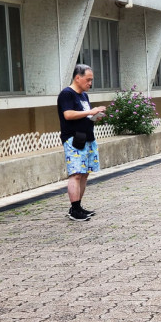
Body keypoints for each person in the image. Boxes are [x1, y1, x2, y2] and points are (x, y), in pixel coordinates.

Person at [57, 64, 107, 222]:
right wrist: (90, 112)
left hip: (88, 138)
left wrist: (95, 116)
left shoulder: (84, 96)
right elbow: (68, 114)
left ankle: (77, 207)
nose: (90, 83)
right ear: (77, 78)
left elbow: (84, 115)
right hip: (74, 139)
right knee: (76, 174)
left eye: (91, 80)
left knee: (85, 173)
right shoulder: (67, 94)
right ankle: (74, 209)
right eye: (88, 80)